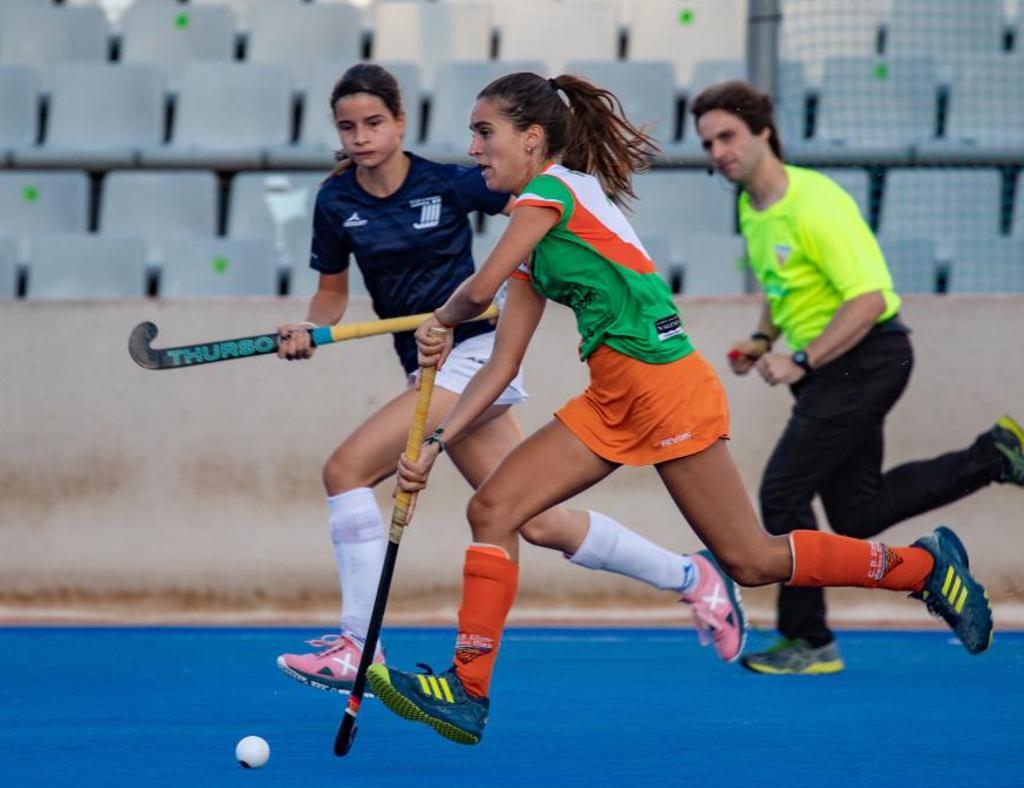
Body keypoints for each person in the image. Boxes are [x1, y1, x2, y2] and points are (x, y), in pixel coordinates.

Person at [365, 71, 994, 746]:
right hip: (612, 398)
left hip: (666, 388)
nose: (475, 148)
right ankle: (468, 691)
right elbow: (502, 364)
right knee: (492, 507)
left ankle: (924, 568)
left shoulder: (550, 194)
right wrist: (436, 443)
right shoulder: (531, 234)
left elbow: (476, 288)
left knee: (751, 561)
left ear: (533, 138)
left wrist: (443, 316)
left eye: (485, 133)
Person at [274, 64, 747, 697]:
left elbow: (540, 209)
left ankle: (358, 646)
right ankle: (694, 578)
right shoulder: (336, 202)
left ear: (400, 123)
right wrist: (308, 326)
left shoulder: (447, 182)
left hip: (472, 354)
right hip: (429, 366)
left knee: (345, 471)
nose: (360, 137)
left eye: (374, 122)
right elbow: (331, 296)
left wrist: (493, 288)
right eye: (347, 127)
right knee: (532, 520)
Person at [687, 79, 1022, 675]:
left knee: (782, 493)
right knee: (858, 515)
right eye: (708, 142)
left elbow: (869, 300)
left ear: (764, 131)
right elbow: (777, 283)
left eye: (728, 136)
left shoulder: (816, 202)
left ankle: (809, 639)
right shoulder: (751, 207)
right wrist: (764, 340)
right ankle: (995, 455)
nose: (718, 152)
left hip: (866, 359)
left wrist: (803, 359)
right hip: (835, 370)